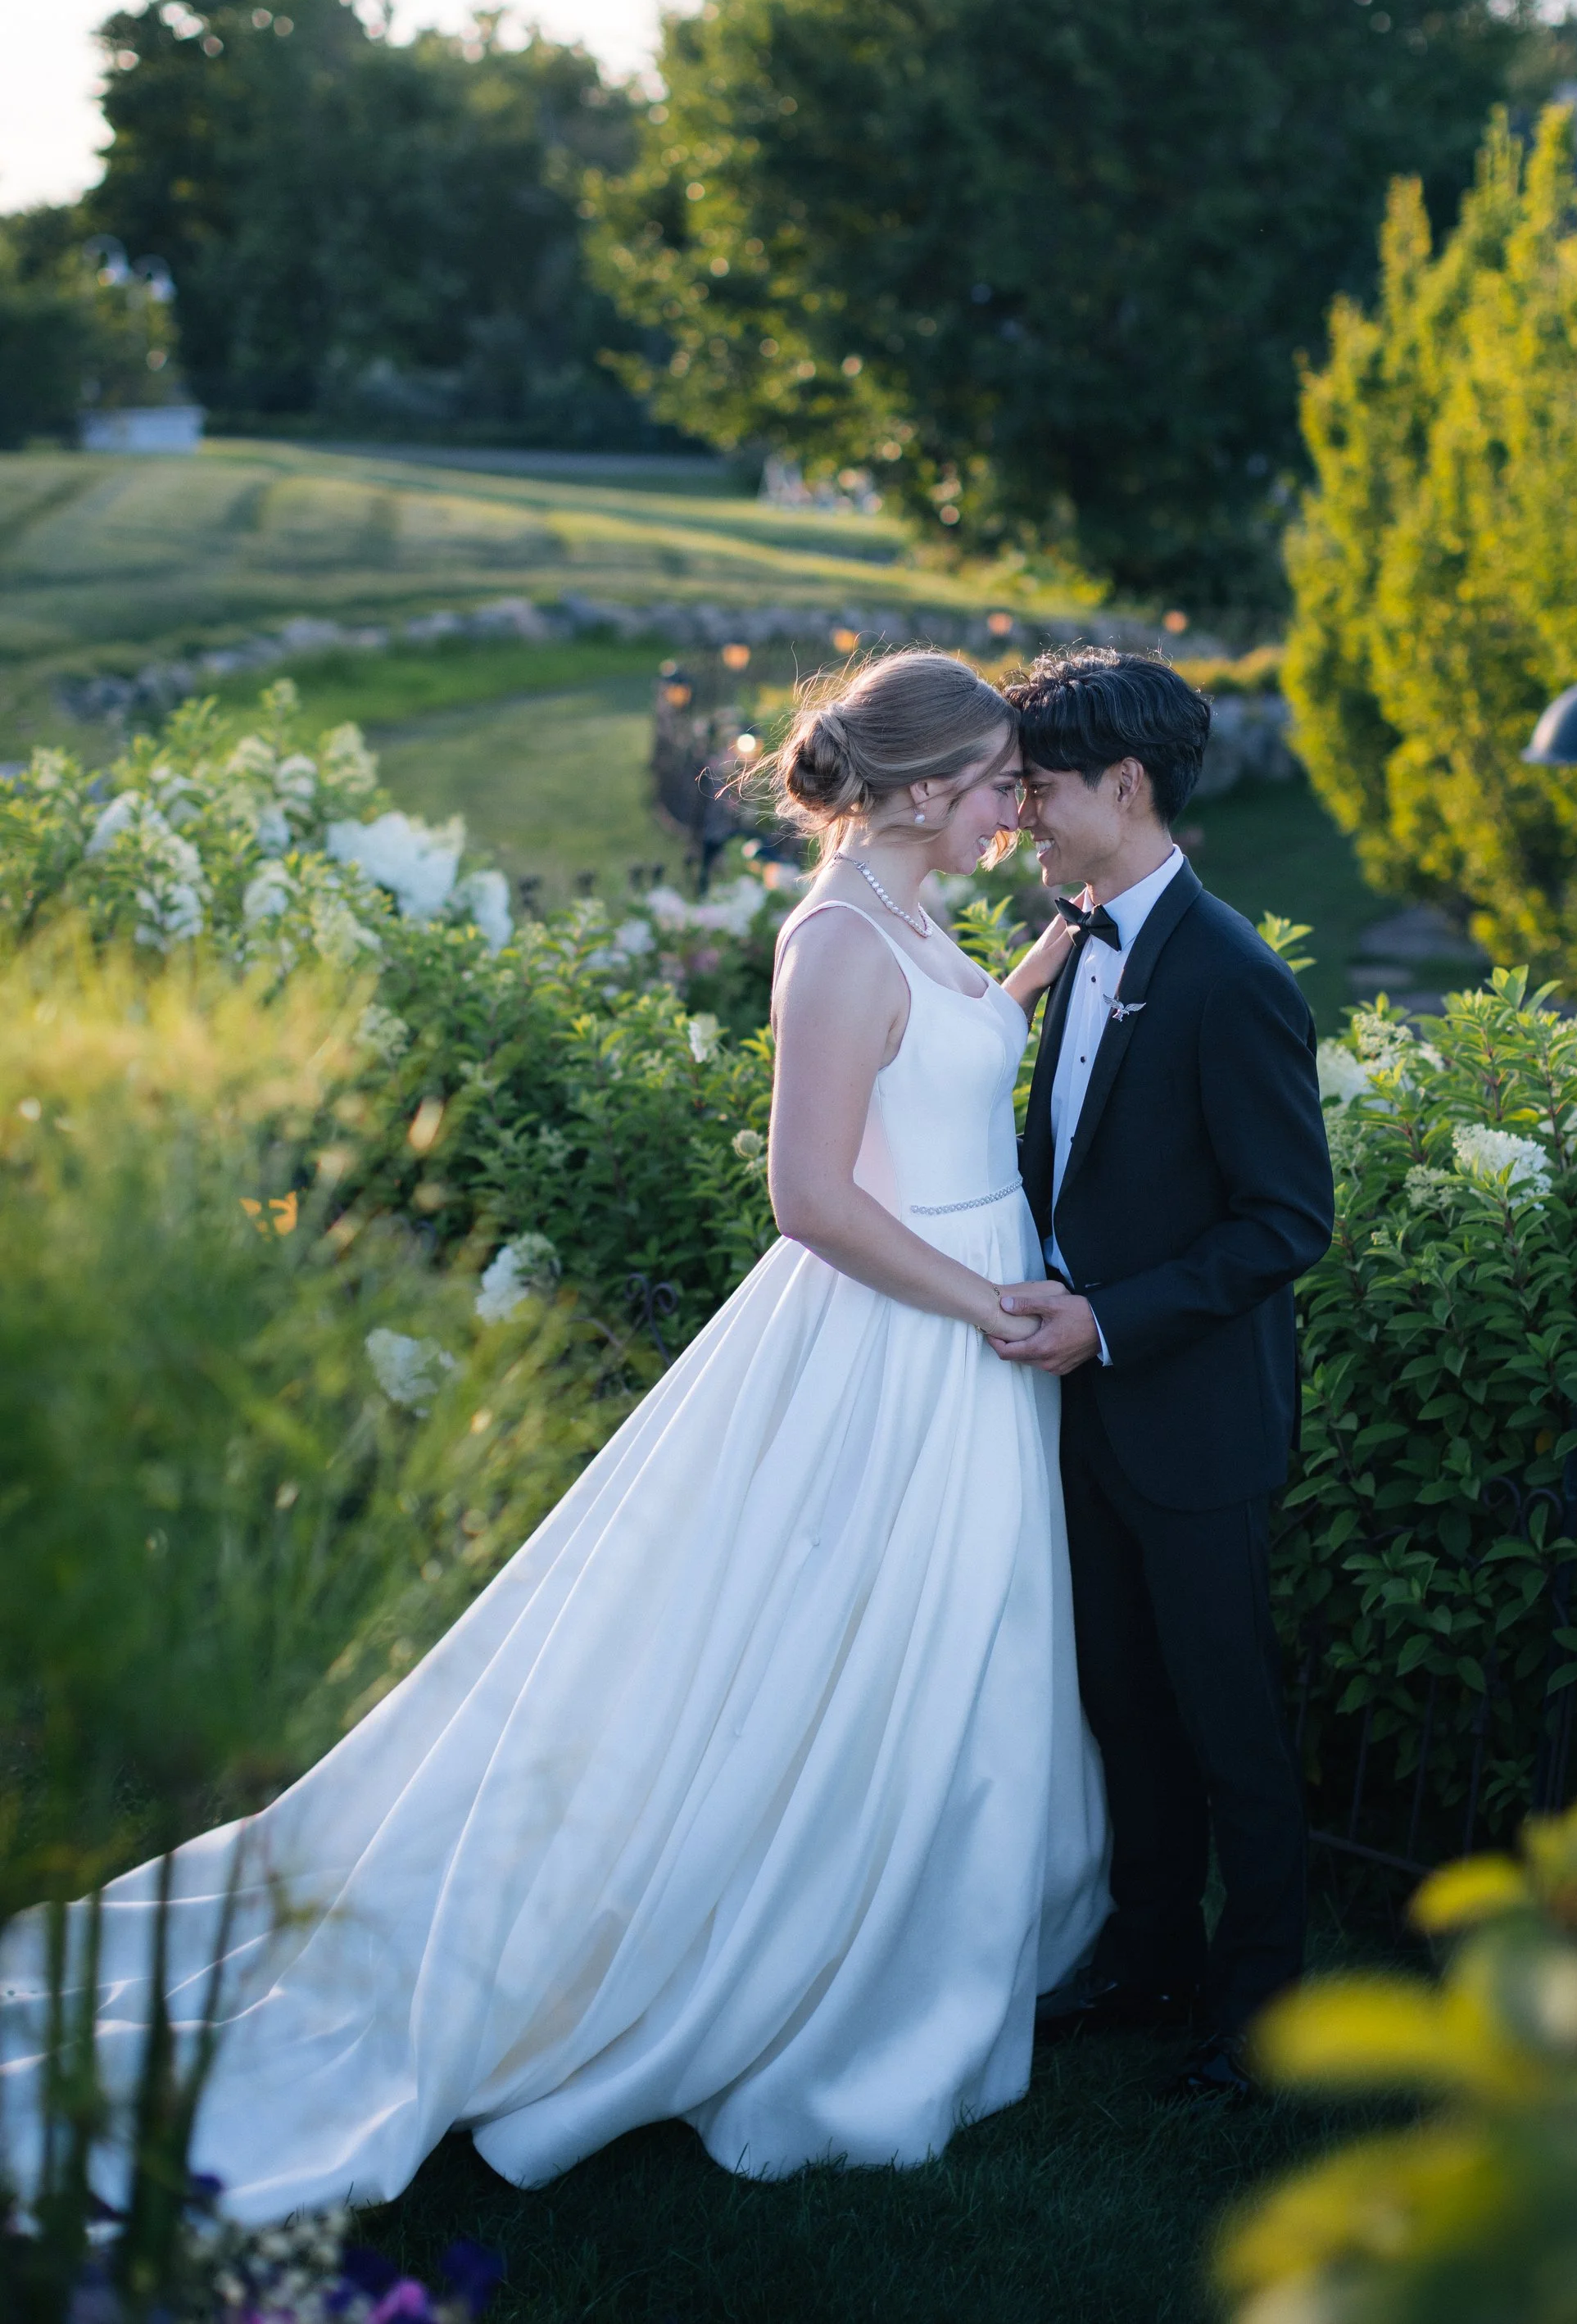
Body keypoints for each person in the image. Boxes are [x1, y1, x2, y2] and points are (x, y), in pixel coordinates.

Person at [0, 650, 1108, 2219]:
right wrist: (984, 1303)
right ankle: (774, 1966)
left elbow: (928, 1084)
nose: (1018, 803)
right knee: (838, 1640)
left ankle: (926, 1930)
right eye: (1000, 780)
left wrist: (1036, 976)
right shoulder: (838, 940)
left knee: (944, 1638)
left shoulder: (912, 923)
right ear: (927, 791)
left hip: (957, 1328)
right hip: (909, 1332)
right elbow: (809, 1198)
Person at [990, 647, 1334, 2103]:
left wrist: (1109, 1321)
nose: (1022, 818)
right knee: (1123, 1703)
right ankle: (1149, 1958)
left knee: (1227, 1729)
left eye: (1042, 789)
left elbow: (1284, 1222)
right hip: (1084, 1411)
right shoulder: (1082, 937)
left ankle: (1265, 2018)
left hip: (1190, 1419)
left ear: (1125, 787)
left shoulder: (1234, 976)